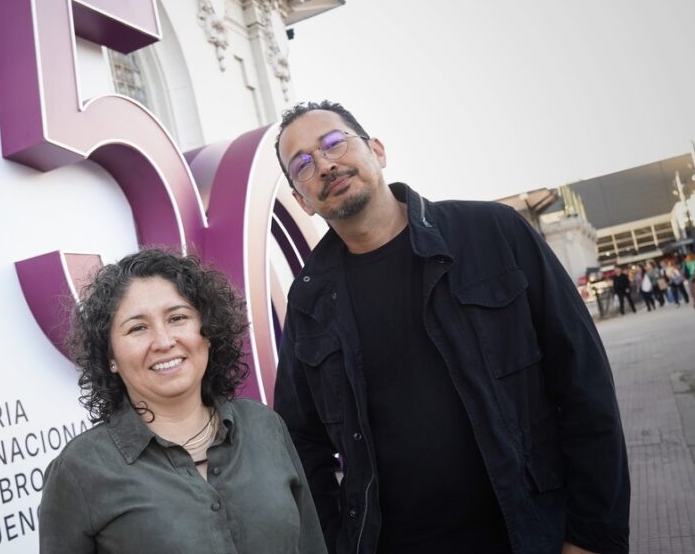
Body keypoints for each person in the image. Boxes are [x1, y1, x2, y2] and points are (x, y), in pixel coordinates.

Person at [271, 101, 629, 554]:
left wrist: (593, 535)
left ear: (377, 151)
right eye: (302, 164)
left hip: (532, 534)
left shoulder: (494, 233)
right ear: (302, 200)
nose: (324, 164)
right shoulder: (309, 301)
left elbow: (584, 384)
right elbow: (299, 444)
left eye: (334, 142)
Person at [38, 248, 327, 554]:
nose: (164, 342)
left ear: (208, 331)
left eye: (177, 318)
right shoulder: (79, 471)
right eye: (138, 328)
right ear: (111, 357)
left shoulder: (265, 426)